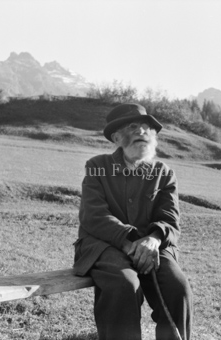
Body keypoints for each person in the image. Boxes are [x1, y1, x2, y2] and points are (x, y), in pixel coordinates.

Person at [73, 103, 192, 340]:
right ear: (117, 137)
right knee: (125, 285)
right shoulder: (97, 167)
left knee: (178, 288)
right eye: (133, 126)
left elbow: (169, 219)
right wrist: (131, 243)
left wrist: (154, 240)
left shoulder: (164, 173)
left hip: (152, 247)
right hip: (103, 247)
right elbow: (94, 216)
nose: (141, 132)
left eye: (147, 128)